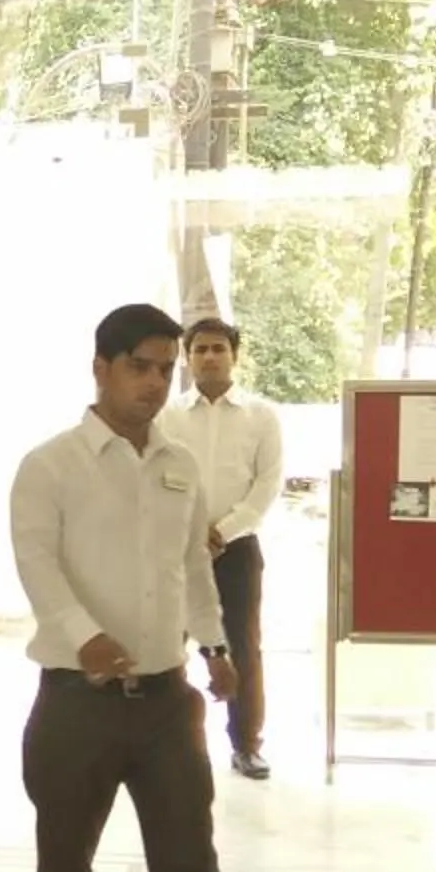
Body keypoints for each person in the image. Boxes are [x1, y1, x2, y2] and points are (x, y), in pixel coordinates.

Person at [8, 302, 312, 872]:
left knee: (190, 856)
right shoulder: (49, 467)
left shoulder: (178, 466)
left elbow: (191, 569)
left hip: (166, 702)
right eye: (139, 366)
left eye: (163, 369)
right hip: (77, 701)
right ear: (102, 369)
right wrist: (85, 639)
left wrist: (214, 647)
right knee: (66, 852)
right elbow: (37, 566)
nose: (154, 383)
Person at [161, 317, 285, 780]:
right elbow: (152, 477)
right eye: (200, 350)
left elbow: (267, 484)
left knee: (242, 648)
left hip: (237, 551)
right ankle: (166, 743)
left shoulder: (261, 416)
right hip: (176, 548)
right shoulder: (167, 415)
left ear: (235, 355)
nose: (209, 357)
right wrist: (191, 532)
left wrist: (223, 532)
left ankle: (247, 745)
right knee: (168, 645)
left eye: (218, 348)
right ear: (187, 358)